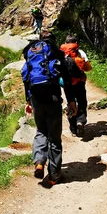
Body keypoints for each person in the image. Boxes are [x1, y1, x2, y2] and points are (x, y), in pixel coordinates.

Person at [22, 30, 73, 186]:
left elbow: (26, 77)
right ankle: (54, 175)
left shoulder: (32, 53)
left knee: (41, 130)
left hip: (36, 97)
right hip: (52, 97)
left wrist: (28, 101)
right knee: (55, 137)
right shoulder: (55, 53)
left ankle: (39, 161)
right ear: (53, 40)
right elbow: (67, 79)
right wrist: (71, 102)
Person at [60, 35, 92, 137]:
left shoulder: (61, 53)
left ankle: (73, 128)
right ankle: (80, 121)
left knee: (71, 103)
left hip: (67, 83)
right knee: (82, 101)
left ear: (65, 43)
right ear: (76, 43)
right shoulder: (80, 52)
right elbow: (87, 67)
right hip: (79, 81)